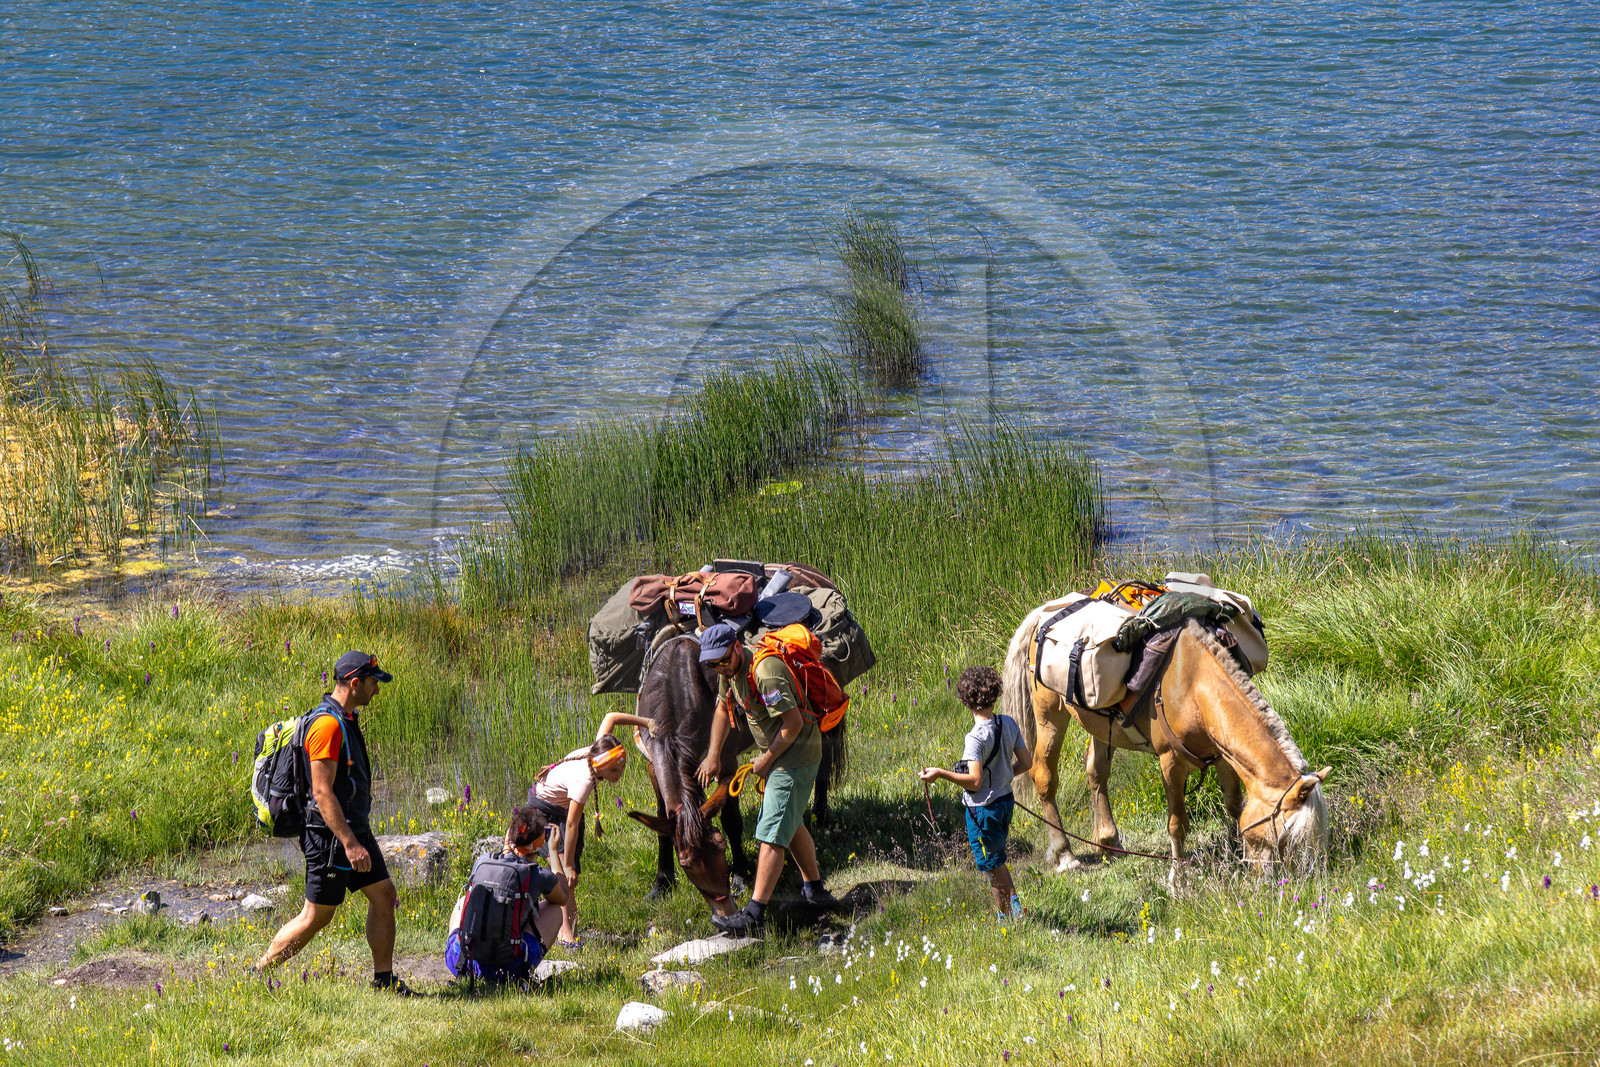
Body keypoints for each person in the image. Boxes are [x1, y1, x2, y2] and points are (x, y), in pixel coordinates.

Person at [255, 651, 412, 993]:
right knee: (317, 917)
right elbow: (323, 793)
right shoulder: (327, 725)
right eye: (373, 683)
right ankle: (259, 972)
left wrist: (356, 836)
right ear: (354, 683)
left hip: (352, 829)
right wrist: (350, 843)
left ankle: (383, 981)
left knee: (384, 895)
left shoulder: (346, 718)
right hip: (330, 835)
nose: (377, 690)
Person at [696, 622, 837, 934]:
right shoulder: (730, 673)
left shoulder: (765, 672)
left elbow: (793, 723)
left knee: (770, 832)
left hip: (795, 756)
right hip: (781, 756)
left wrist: (766, 759)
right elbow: (723, 708)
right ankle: (816, 891)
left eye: (722, 660)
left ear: (736, 647)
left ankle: (754, 914)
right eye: (713, 664)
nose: (719, 668)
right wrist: (713, 753)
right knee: (791, 821)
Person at [529, 710, 655, 947]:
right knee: (564, 879)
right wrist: (567, 866)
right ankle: (568, 939)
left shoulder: (598, 750)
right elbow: (572, 823)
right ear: (601, 768)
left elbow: (611, 717)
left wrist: (647, 722)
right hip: (545, 810)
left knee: (569, 873)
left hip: (562, 807)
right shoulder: (584, 780)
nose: (620, 775)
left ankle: (569, 932)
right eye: (615, 771)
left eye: (622, 767)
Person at [918, 666, 1033, 922]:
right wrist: (1005, 776)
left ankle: (1006, 917)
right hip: (1005, 802)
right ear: (994, 696)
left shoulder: (975, 738)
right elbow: (1026, 763)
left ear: (965, 700)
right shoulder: (1009, 723)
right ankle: (1013, 910)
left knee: (992, 865)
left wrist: (941, 773)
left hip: (983, 810)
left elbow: (974, 781)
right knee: (998, 858)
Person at [444, 805, 568, 983]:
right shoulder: (538, 874)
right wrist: (554, 852)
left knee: (464, 900)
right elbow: (563, 897)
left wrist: (507, 846)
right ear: (541, 842)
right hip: (508, 970)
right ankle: (520, 971)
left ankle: (467, 966)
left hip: (462, 961)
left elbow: (504, 868)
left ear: (511, 837)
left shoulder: (482, 861)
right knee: (555, 910)